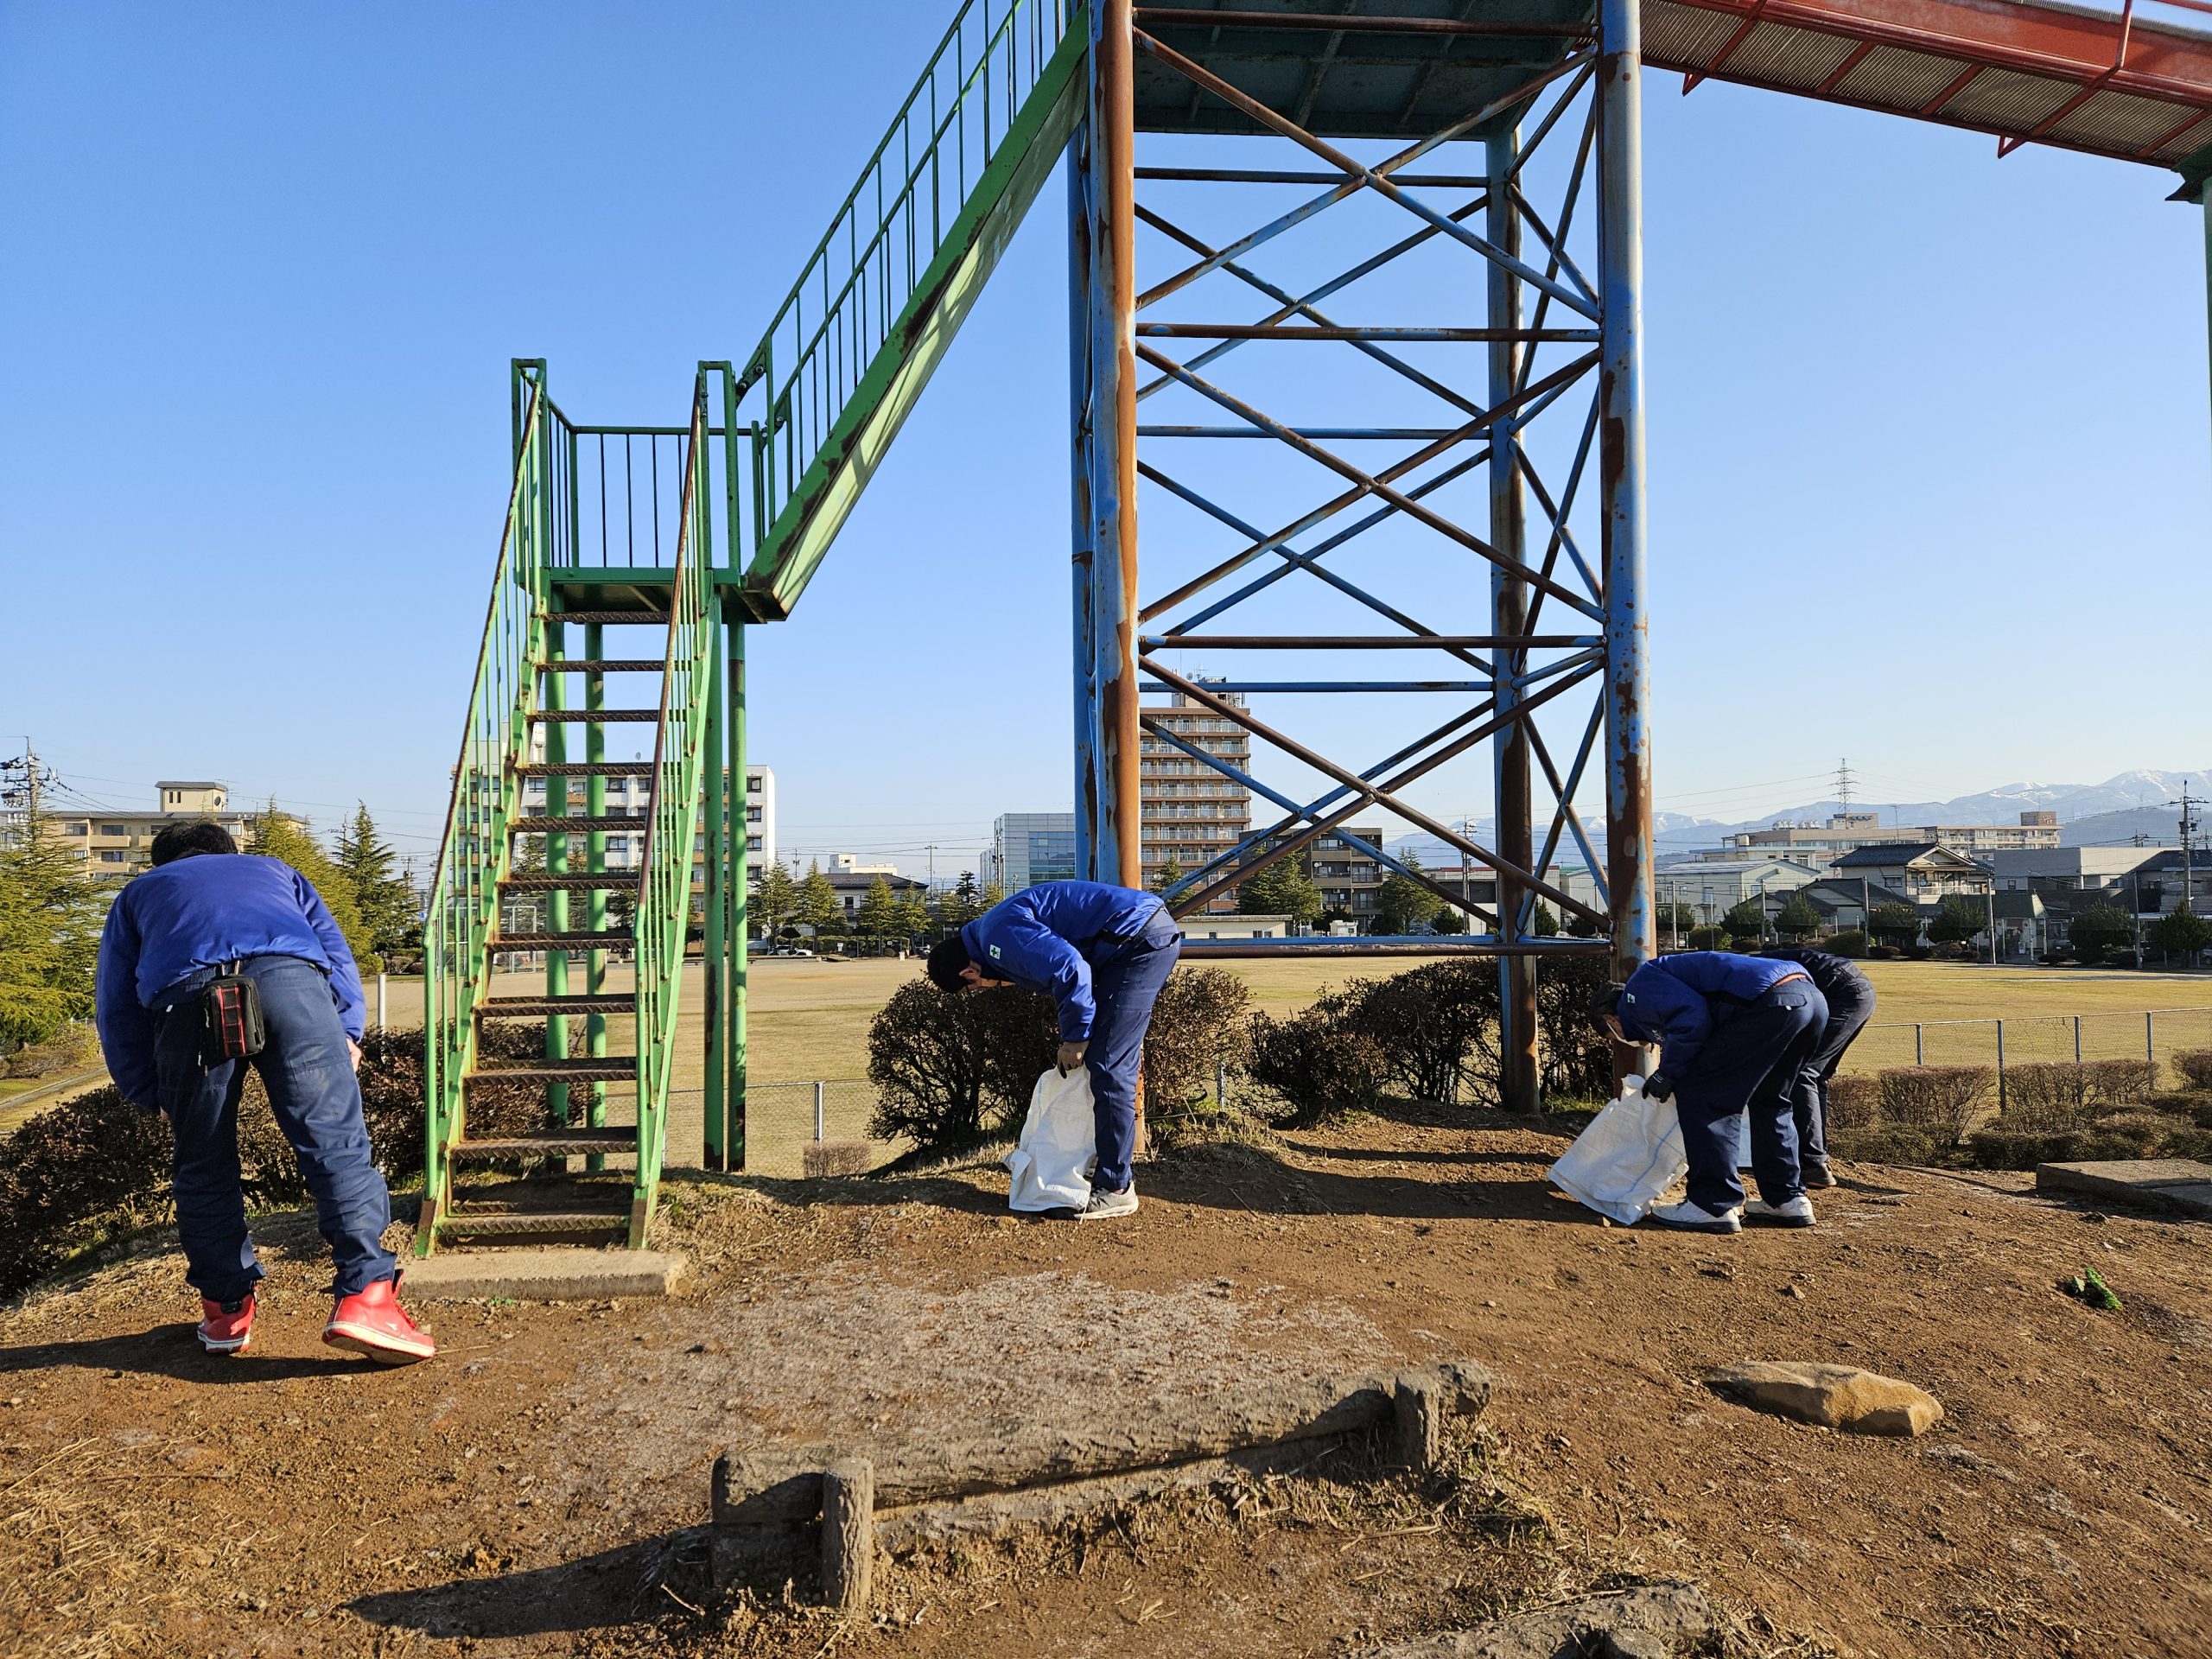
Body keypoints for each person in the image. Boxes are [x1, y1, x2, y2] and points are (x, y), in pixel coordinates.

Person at [93, 820, 435, 1363]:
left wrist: (144, 1086)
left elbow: (115, 1002)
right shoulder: (277, 872)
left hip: (187, 1000)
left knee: (202, 1165)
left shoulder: (137, 894)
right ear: (232, 854)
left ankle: (225, 1312)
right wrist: (347, 1029)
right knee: (336, 1146)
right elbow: (335, 954)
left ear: (163, 864)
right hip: (292, 986)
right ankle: (367, 1298)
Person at [926, 880, 1180, 1221]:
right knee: (1103, 1060)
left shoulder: (997, 940)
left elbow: (1068, 967)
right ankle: (1103, 1163)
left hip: (1138, 940)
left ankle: (1117, 1188)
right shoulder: (991, 934)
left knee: (1108, 1064)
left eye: (972, 988)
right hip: (1128, 938)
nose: (982, 990)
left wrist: (1074, 1040)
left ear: (969, 973)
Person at [1589, 950, 1827, 1234]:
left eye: (1613, 1036)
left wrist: (1668, 1072)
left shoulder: (1638, 993)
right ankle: (1786, 1198)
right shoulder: (1660, 982)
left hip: (1769, 1003)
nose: (1626, 1041)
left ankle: (1712, 1203)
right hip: (1809, 999)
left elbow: (1691, 1021)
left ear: (1611, 1020)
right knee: (1770, 1098)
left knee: (1704, 1096)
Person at [1760, 944, 1877, 1189]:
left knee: (1804, 1072)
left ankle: (1813, 1163)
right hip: (1853, 988)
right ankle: (1817, 1158)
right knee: (1817, 1075)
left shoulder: (1734, 977)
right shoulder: (1735, 967)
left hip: (1841, 991)